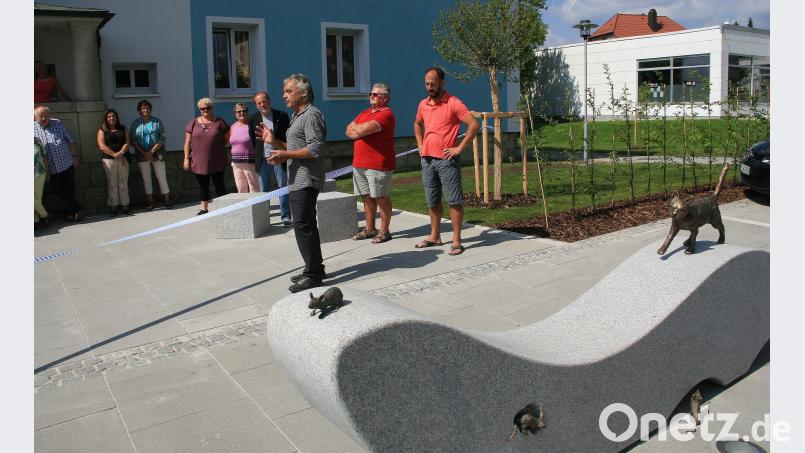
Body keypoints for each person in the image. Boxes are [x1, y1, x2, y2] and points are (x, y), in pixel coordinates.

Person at [264, 74, 327, 292]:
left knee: (303, 225)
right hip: (296, 179)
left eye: (289, 91)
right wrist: (274, 141)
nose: (284, 95)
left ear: (304, 93)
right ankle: (315, 267)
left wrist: (286, 155)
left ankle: (313, 274)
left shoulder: (311, 115)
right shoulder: (297, 116)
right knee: (305, 225)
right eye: (284, 91)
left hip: (306, 178)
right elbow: (293, 147)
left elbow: (315, 149)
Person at [413, 67, 480, 255]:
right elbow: (417, 124)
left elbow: (474, 125)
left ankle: (457, 240)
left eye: (433, 84)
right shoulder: (423, 104)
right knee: (432, 200)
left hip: (446, 160)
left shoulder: (453, 103)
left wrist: (459, 148)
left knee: (454, 201)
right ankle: (435, 236)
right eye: (427, 84)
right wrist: (420, 143)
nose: (429, 88)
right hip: (427, 160)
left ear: (442, 83)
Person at [345, 82, 396, 244]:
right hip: (359, 163)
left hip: (378, 165)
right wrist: (359, 129)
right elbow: (348, 131)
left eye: (375, 94)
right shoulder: (365, 113)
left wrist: (358, 128)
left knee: (381, 197)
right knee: (366, 197)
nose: (371, 96)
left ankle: (384, 231)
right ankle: (370, 229)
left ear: (385, 98)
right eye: (370, 94)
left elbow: (358, 130)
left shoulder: (386, 114)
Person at [249, 91, 292, 225]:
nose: (262, 104)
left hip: (279, 156)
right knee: (263, 190)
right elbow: (252, 139)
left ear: (269, 101)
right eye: (259, 103)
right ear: (256, 105)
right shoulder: (253, 118)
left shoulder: (282, 115)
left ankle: (286, 217)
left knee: (282, 187)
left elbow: (288, 136)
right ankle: (263, 220)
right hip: (262, 159)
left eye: (264, 101)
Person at [33, 106, 82, 222]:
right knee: (58, 190)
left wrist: (75, 157)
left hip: (66, 163)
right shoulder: (32, 128)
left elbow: (71, 141)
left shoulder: (57, 123)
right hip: (49, 168)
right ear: (35, 117)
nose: (44, 118)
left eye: (46, 115)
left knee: (69, 189)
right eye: (41, 116)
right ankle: (77, 208)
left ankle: (70, 213)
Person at [183, 98, 229, 215]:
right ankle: (204, 209)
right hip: (199, 161)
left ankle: (224, 209)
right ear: (199, 109)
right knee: (203, 185)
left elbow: (227, 138)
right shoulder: (193, 123)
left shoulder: (219, 122)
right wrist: (186, 159)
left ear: (212, 108)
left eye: (208, 108)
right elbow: (187, 142)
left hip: (217, 160)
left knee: (219, 184)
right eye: (202, 108)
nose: (205, 110)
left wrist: (217, 147)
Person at [130, 99, 171, 210]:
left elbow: (162, 138)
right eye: (143, 108)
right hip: (142, 154)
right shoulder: (135, 124)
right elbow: (133, 141)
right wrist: (144, 152)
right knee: (146, 179)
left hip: (157, 152)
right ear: (139, 110)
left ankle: (167, 199)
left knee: (161, 176)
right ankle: (150, 202)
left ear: (150, 109)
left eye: (147, 108)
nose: (145, 110)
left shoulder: (157, 121)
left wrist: (152, 151)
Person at [97, 109, 131, 216]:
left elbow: (127, 142)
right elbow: (102, 146)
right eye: (109, 117)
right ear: (106, 119)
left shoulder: (123, 128)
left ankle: (125, 206)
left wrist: (121, 152)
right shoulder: (102, 130)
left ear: (117, 118)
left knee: (123, 183)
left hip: (123, 159)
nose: (111, 118)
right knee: (112, 184)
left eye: (113, 116)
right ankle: (113, 207)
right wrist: (114, 154)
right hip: (109, 160)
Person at [229, 102, 260, 193]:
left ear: (247, 112)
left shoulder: (252, 125)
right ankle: (244, 203)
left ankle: (257, 203)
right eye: (239, 111)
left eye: (244, 111)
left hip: (249, 162)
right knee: (241, 188)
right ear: (235, 114)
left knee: (254, 188)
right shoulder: (233, 126)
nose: (242, 113)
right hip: (236, 163)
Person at [34, 138, 49, 229]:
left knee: (37, 198)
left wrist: (47, 171)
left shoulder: (37, 140)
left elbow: (44, 156)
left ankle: (35, 221)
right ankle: (44, 215)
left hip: (39, 173)